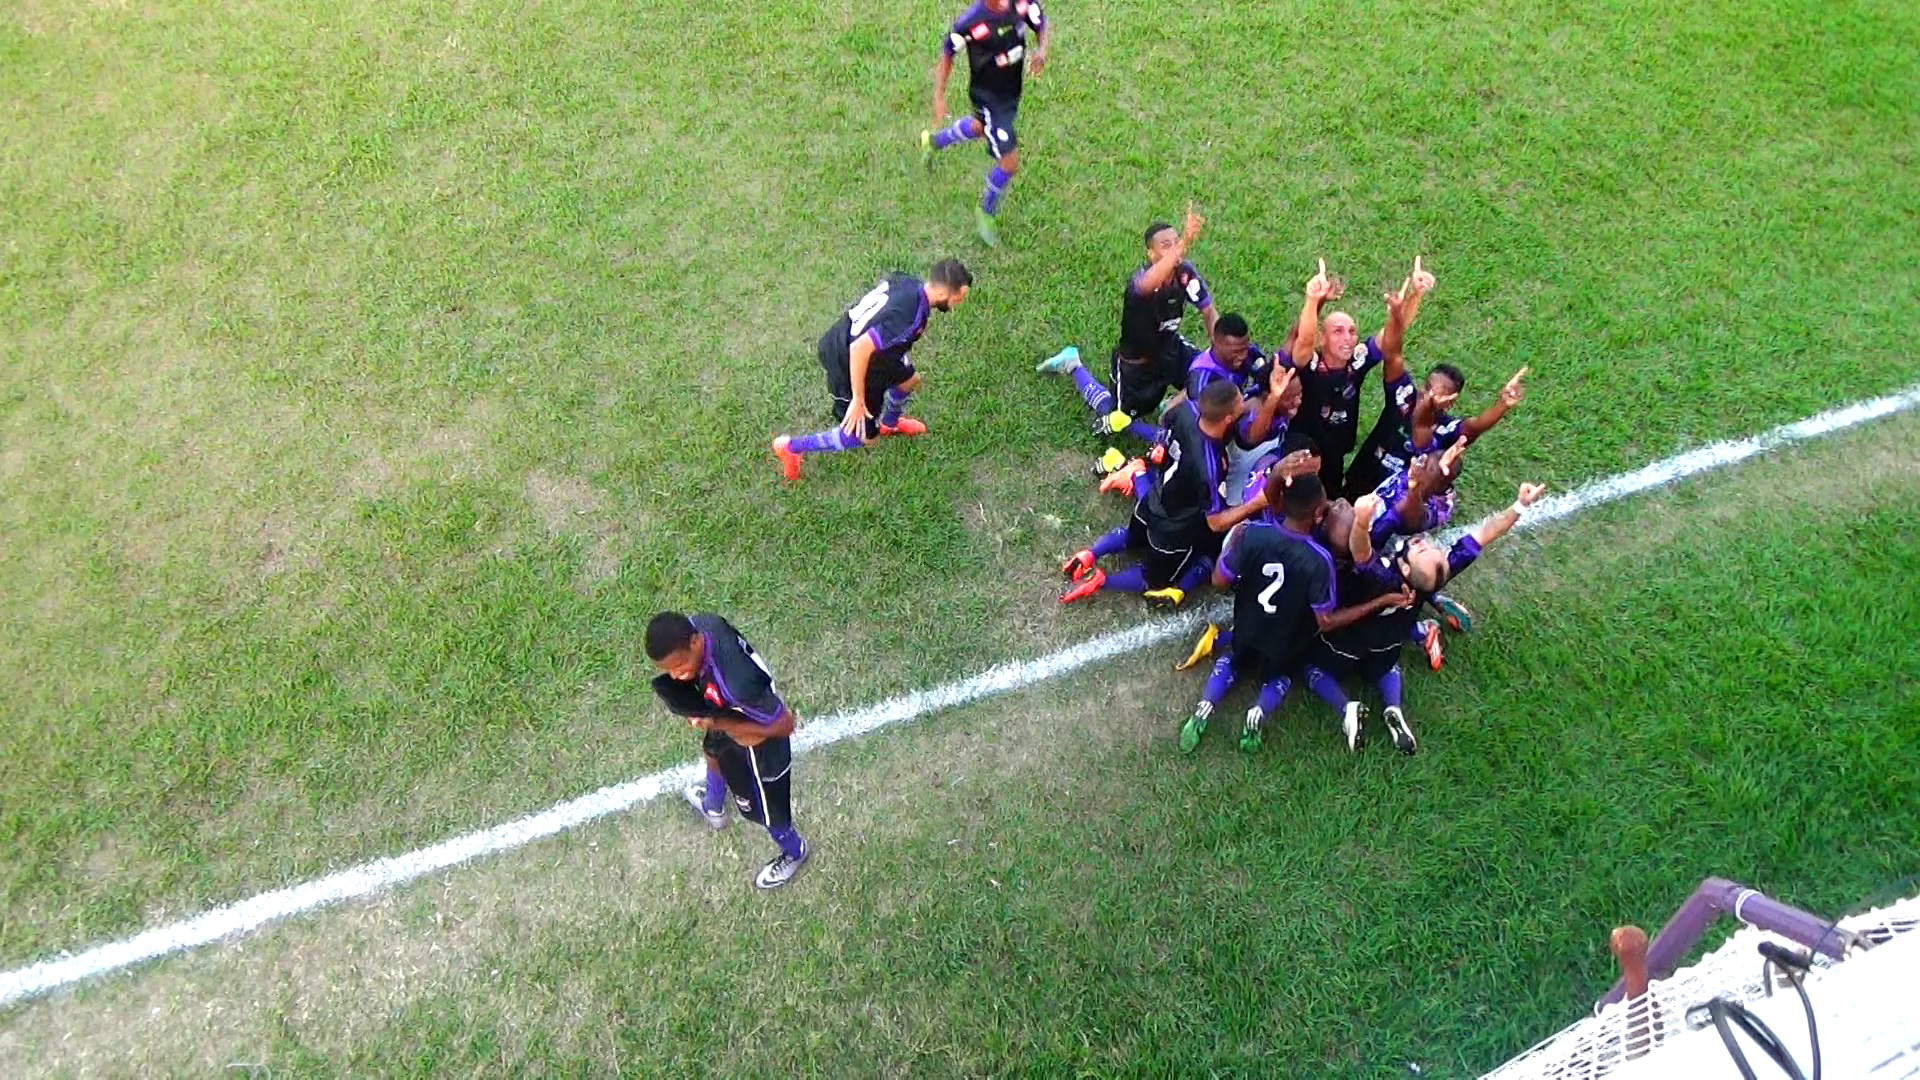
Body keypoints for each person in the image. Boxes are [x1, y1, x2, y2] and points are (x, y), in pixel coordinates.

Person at [1300, 478, 1547, 754]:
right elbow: (1487, 533)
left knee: (1312, 669)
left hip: (1350, 641)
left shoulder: (1383, 575)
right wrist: (1519, 506)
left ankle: (1346, 707)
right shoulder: (1436, 578)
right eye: (1430, 547)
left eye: (1421, 550)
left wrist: (1361, 520)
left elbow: (1361, 552)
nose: (1423, 542)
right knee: (1388, 668)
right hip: (1389, 644)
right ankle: (1393, 707)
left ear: (1405, 570)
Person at [1178, 473, 1414, 753]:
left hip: (1247, 626)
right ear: (1317, 515)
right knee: (1280, 678)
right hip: (1285, 643)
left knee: (1232, 661)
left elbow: (1219, 581)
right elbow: (1326, 622)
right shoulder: (1321, 561)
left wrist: (1231, 544)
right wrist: (1380, 602)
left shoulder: (1251, 533)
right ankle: (1258, 714)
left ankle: (1204, 707)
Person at [1058, 381, 1268, 607]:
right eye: (1240, 404)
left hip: (1153, 498)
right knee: (1154, 579)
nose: (1244, 405)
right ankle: (1103, 581)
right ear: (1228, 418)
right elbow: (1215, 522)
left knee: (1132, 536)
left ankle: (1090, 553)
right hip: (1174, 528)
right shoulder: (1208, 468)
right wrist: (1257, 503)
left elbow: (1165, 420)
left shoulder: (1187, 410)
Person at [646, 611, 810, 890]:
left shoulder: (738, 685)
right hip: (724, 713)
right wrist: (715, 720)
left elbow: (784, 726)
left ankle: (796, 851)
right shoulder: (700, 624)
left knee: (771, 814)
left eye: (681, 665)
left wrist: (719, 721)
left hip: (761, 746)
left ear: (696, 643)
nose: (676, 675)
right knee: (713, 750)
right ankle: (713, 806)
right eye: (669, 670)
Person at [773, 259, 972, 480]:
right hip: (846, 356)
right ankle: (792, 447)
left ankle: (890, 424)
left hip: (881, 354)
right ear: (944, 294)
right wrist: (858, 399)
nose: (958, 303)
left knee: (909, 380)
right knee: (861, 437)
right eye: (959, 298)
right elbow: (860, 348)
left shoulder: (909, 282)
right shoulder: (908, 317)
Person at [1035, 210, 1217, 446]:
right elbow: (1146, 284)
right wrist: (1183, 243)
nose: (1173, 249)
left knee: (1211, 377)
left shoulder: (1184, 274)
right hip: (1138, 367)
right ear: (1151, 253)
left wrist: (1218, 352)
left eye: (1175, 243)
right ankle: (1073, 365)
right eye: (1166, 245)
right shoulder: (1139, 283)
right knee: (1115, 419)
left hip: (1171, 349)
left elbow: (1209, 310)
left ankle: (1169, 408)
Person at [1282, 258, 1419, 495]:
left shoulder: (1357, 361)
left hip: (1335, 453)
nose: (1347, 337)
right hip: (1302, 453)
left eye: (1352, 331)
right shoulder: (1310, 364)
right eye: (1338, 331)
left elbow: (1392, 334)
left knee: (1331, 497)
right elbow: (1304, 340)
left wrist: (1415, 295)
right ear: (1321, 339)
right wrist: (1313, 299)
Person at [922, 0, 1050, 247]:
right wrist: (939, 96)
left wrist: (1041, 51)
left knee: (980, 127)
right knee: (1009, 162)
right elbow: (948, 52)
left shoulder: (1021, 4)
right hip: (989, 97)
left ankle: (934, 141)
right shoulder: (969, 22)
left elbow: (1040, 22)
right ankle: (986, 211)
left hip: (1011, 92)